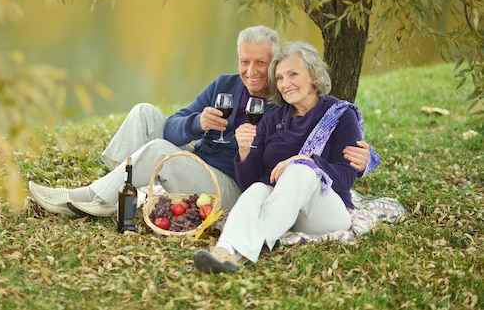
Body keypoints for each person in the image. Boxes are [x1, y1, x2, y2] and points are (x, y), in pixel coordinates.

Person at [28, 27, 372, 218]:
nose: (252, 71)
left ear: (276, 64)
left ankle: (86, 198)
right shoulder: (224, 86)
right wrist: (197, 123)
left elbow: (321, 138)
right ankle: (118, 197)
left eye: (262, 63)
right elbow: (175, 124)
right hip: (197, 161)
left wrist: (367, 160)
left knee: (158, 151)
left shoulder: (284, 104)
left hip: (230, 184)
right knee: (145, 111)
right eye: (244, 61)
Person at [193, 41, 380, 273]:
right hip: (286, 214)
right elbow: (250, 183)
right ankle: (225, 250)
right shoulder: (272, 119)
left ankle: (243, 248)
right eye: (280, 78)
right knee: (256, 191)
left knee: (301, 170)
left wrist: (302, 161)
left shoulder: (341, 115)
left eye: (293, 74)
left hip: (324, 213)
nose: (285, 83)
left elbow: (345, 178)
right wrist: (244, 151)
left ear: (313, 75)